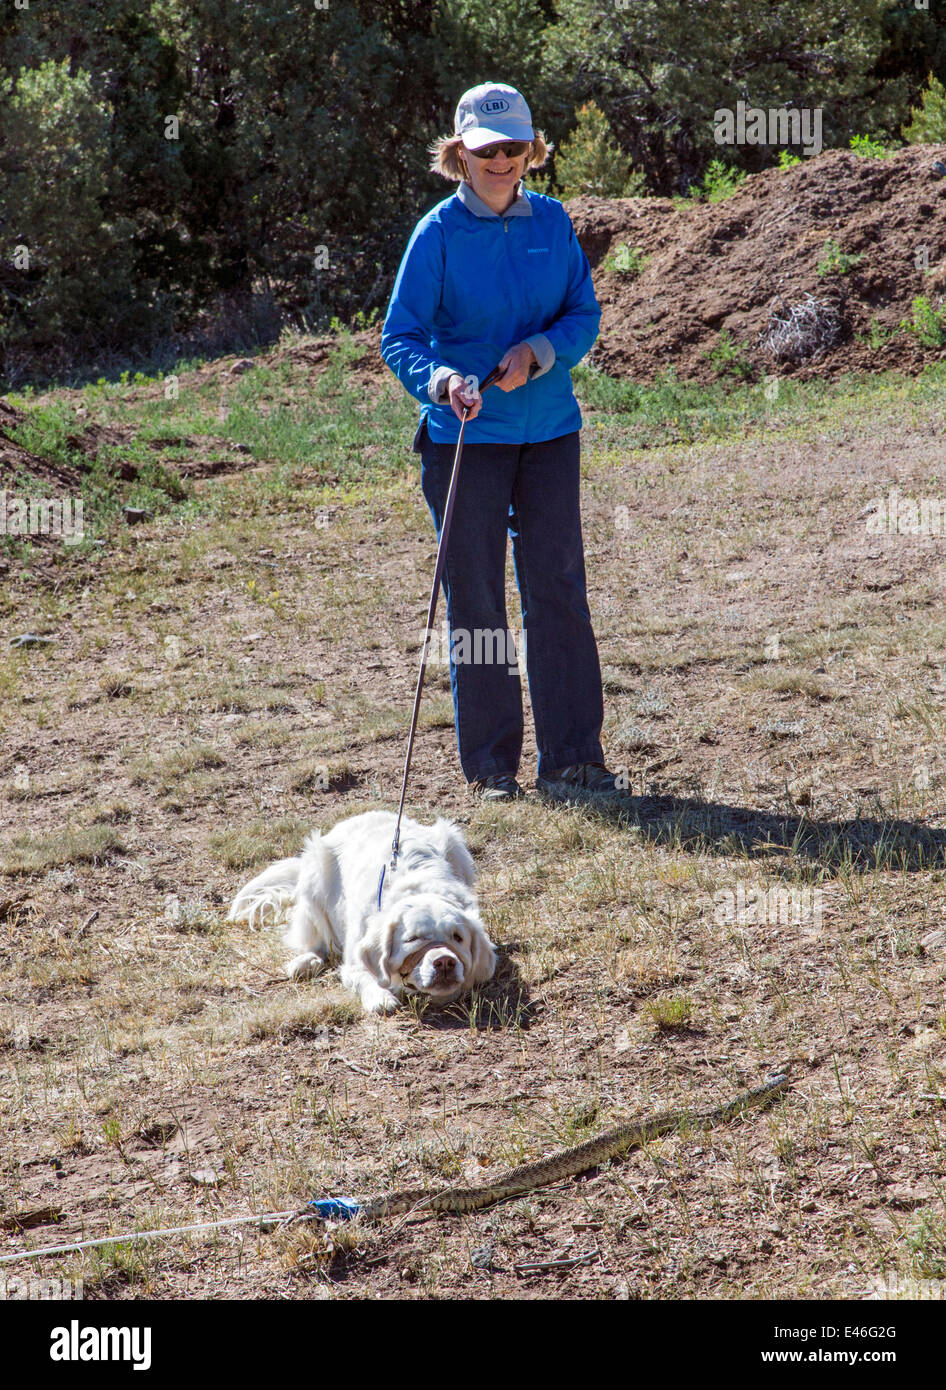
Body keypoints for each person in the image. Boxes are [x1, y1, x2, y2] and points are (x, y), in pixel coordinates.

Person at [380, 82, 621, 806]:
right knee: (477, 601)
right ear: (460, 153)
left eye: (513, 148)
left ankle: (574, 759)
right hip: (465, 442)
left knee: (557, 590)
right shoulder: (437, 235)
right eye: (485, 150)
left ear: (530, 151)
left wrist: (541, 350)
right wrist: (443, 378)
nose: (501, 160)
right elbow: (400, 337)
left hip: (549, 435)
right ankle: (491, 769)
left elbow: (584, 312)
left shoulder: (554, 222)